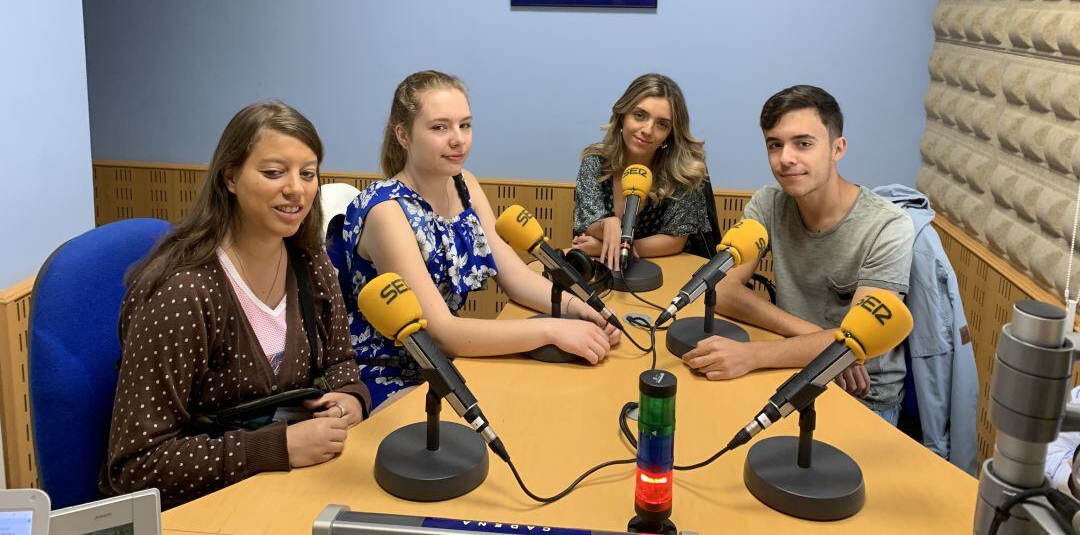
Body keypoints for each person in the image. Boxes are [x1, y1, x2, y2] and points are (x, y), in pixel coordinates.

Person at [102, 102, 369, 509]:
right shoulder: (184, 293)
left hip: (285, 490)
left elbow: (340, 363)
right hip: (202, 507)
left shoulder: (310, 262)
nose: (296, 189)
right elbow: (135, 467)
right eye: (274, 172)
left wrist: (349, 398)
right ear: (230, 177)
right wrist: (273, 448)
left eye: (308, 173)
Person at [337, 71, 620, 410]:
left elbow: (514, 277)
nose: (458, 139)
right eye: (440, 127)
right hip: (387, 372)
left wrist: (586, 311)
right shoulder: (387, 211)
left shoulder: (464, 183)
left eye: (465, 125)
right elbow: (440, 331)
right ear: (403, 136)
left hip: (447, 363)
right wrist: (551, 330)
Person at [684, 85, 914, 424]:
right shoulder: (769, 202)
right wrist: (818, 338)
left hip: (861, 393)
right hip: (790, 363)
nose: (785, 158)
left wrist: (753, 355)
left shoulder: (888, 226)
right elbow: (723, 290)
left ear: (838, 149)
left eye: (803, 144)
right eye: (775, 145)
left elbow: (860, 343)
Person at [571, 73, 710, 270]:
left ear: (671, 134)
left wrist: (618, 248)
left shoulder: (683, 172)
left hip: (667, 274)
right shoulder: (595, 161)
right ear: (622, 116)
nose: (647, 130)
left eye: (661, 124)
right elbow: (587, 223)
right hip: (602, 273)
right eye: (639, 115)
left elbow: (675, 240)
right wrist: (605, 225)